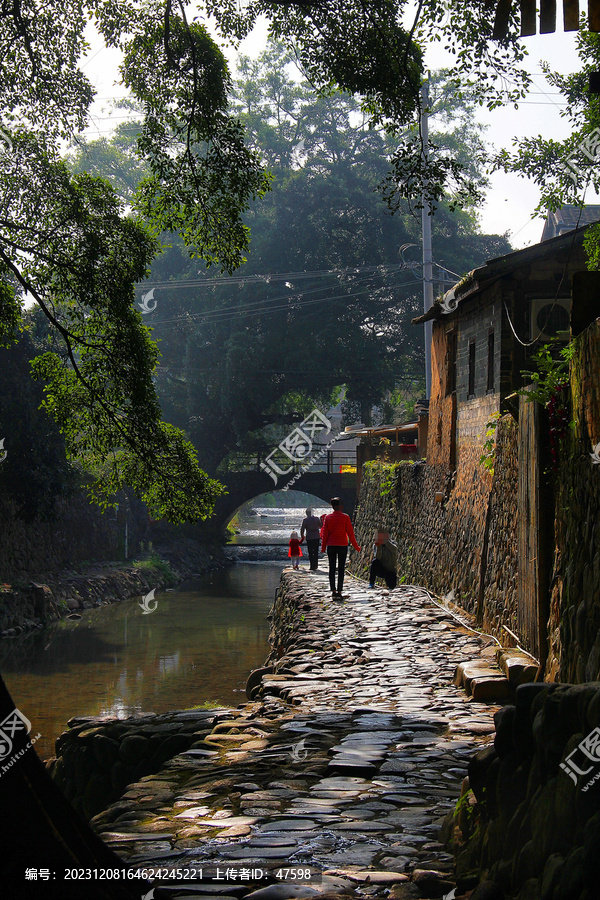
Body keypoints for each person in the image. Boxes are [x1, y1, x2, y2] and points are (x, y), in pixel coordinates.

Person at [321, 497, 361, 600]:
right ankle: (339, 591)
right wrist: (356, 547)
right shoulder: (346, 517)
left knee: (332, 568)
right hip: (342, 545)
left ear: (332, 506)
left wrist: (323, 547)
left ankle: (333, 591)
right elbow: (351, 534)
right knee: (341, 569)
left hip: (331, 546)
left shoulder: (328, 518)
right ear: (340, 506)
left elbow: (325, 534)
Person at [300, 507, 322, 571]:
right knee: (315, 551)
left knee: (310, 552)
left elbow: (302, 529)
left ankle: (312, 565)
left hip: (309, 537)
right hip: (316, 537)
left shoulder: (305, 520)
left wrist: (302, 536)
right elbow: (321, 526)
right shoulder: (316, 519)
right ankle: (316, 565)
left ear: (306, 513)